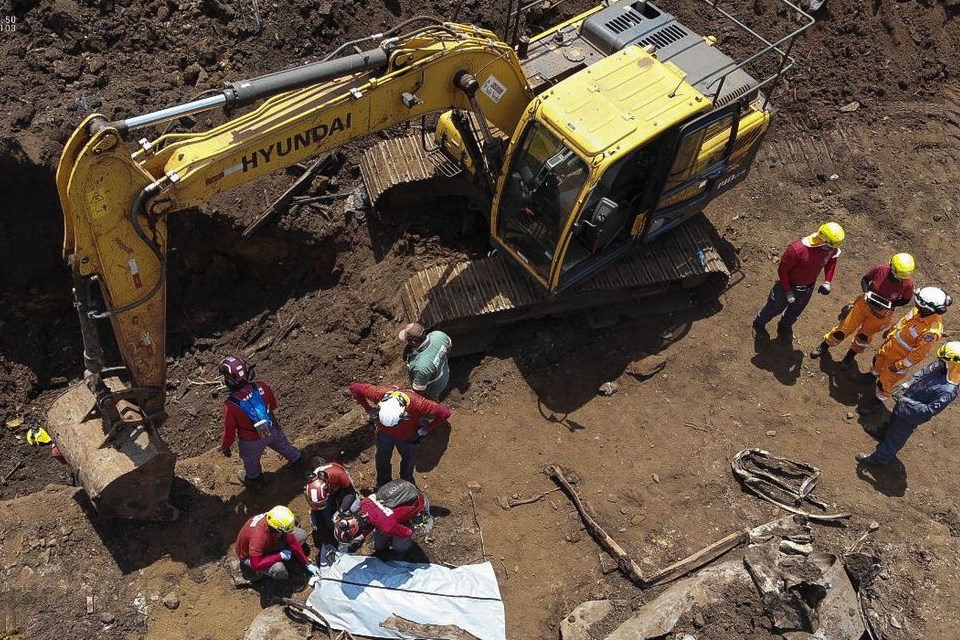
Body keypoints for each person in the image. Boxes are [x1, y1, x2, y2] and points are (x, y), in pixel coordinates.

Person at [856, 342, 960, 465]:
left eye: (942, 360)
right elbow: (924, 371)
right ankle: (884, 433)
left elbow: (929, 411)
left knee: (897, 435)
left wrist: (905, 401)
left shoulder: (948, 391)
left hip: (912, 415)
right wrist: (907, 384)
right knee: (894, 419)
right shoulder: (942, 367)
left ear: (954, 365)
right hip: (906, 400)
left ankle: (880, 459)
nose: (938, 361)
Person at [810, 253, 916, 369]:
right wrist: (866, 293)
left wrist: (890, 304)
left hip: (881, 314)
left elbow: (905, 300)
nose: (898, 279)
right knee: (843, 329)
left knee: (864, 337)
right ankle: (825, 345)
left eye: (901, 277)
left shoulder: (909, 284)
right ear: (891, 266)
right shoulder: (880, 269)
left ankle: (850, 356)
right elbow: (865, 280)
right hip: (863, 305)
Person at [857, 287, 951, 413]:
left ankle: (878, 400)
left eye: (919, 304)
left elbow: (918, 355)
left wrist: (899, 366)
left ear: (928, 308)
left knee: (885, 382)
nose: (916, 305)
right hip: (890, 347)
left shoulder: (931, 331)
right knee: (877, 362)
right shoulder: (919, 310)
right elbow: (904, 322)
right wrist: (891, 331)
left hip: (898, 359)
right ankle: (871, 376)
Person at [753, 222, 845, 342]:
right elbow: (783, 271)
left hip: (807, 287)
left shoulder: (831, 249)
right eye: (830, 247)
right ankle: (759, 323)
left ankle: (784, 326)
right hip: (786, 286)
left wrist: (827, 281)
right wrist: (788, 291)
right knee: (775, 307)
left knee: (796, 310)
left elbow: (831, 261)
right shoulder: (797, 249)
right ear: (822, 240)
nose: (832, 250)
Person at [218, 356, 302, 486]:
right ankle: (298, 459)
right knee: (284, 446)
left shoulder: (230, 405)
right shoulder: (261, 386)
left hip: (251, 441)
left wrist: (225, 447)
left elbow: (230, 433)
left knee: (250, 460)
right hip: (271, 430)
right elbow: (273, 406)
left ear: (229, 380)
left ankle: (254, 479)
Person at [349, 383, 451, 487]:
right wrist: (368, 409)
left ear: (404, 414)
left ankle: (406, 481)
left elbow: (445, 413)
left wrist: (426, 429)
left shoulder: (418, 403)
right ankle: (383, 482)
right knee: (382, 459)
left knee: (408, 460)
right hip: (385, 435)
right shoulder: (380, 394)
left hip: (405, 438)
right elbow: (355, 388)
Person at [333, 479, 432, 557]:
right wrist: (363, 536)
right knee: (380, 539)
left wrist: (396, 530)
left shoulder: (386, 526)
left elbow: (407, 532)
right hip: (403, 495)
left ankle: (403, 552)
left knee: (399, 544)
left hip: (419, 504)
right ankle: (385, 546)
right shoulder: (365, 503)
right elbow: (374, 518)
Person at [235, 505, 320, 581]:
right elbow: (256, 564)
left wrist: (307, 563)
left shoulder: (274, 519)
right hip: (251, 557)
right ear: (277, 529)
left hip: (269, 542)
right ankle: (286, 581)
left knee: (301, 535)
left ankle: (274, 554)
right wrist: (279, 556)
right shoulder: (258, 538)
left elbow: (292, 541)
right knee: (278, 569)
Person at [303, 458, 360, 563]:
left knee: (354, 507)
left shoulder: (339, 474)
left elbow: (351, 493)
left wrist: (341, 511)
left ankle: (351, 530)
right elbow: (318, 513)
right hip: (328, 494)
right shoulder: (312, 490)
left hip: (342, 489)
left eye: (322, 503)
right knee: (321, 522)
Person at [399, 322, 453, 401]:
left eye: (408, 340)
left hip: (432, 387)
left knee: (430, 401)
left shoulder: (421, 366)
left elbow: (418, 391)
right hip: (444, 372)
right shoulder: (439, 335)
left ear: (413, 342)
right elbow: (449, 347)